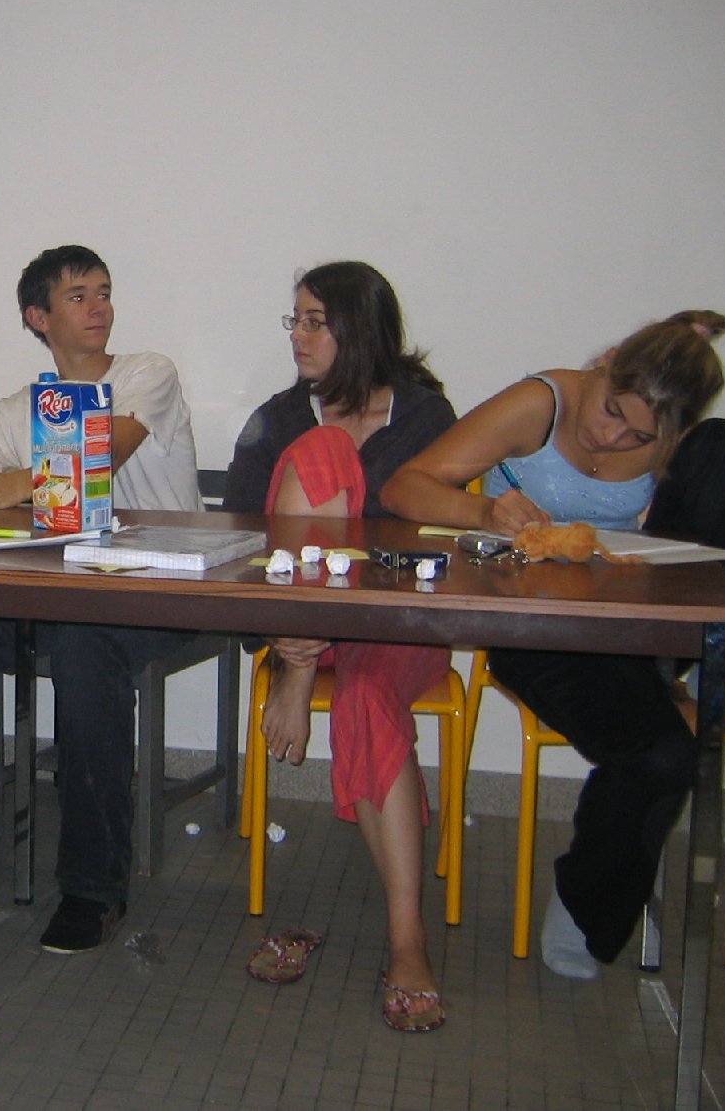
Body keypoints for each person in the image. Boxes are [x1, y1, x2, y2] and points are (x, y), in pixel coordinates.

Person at [381, 310, 725, 979]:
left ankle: (724, 658)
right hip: (535, 629)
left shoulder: (678, 442)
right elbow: (405, 486)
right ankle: (584, 903)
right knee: (666, 754)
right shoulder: (542, 403)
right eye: (612, 412)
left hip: (637, 621)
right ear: (605, 363)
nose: (612, 436)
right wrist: (485, 511)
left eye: (639, 435)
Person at [0, 244, 202, 952]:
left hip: (160, 592)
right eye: (78, 296)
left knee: (85, 648)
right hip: (67, 596)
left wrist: (10, 485)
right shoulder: (29, 406)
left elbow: (100, 454)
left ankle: (95, 885)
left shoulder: (146, 373)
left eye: (104, 292)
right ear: (39, 317)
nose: (99, 307)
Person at [223, 262, 455, 1031]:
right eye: (293, 319)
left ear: (361, 329)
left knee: (366, 695)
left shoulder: (425, 416)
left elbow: (441, 536)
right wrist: (290, 638)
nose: (298, 334)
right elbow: (242, 542)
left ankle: (407, 941)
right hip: (299, 622)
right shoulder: (280, 418)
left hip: (395, 626)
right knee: (324, 450)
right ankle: (295, 663)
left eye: (315, 320)